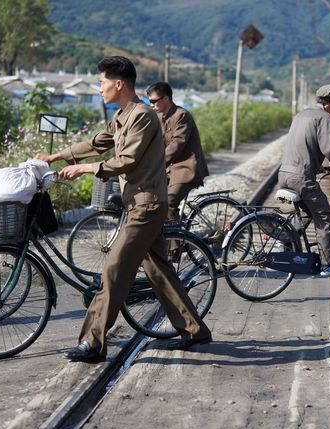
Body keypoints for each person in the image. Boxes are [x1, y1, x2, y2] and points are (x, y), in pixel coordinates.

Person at [36, 56, 211, 362]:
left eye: (102, 82)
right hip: (138, 204)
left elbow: (127, 158)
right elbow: (97, 143)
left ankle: (92, 342)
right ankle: (195, 330)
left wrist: (89, 169)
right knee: (161, 273)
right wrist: (57, 156)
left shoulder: (143, 115)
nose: (99, 87)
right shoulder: (122, 116)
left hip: (147, 206)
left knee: (114, 270)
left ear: (119, 84)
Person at [278, 81, 330, 277]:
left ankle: (287, 239)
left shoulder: (302, 115)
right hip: (301, 178)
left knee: (309, 213)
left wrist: (318, 167)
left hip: (285, 174)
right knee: (326, 216)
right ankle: (327, 264)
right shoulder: (324, 117)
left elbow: (303, 147)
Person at [145, 81, 209, 223]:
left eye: (154, 101)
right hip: (172, 169)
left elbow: (176, 145)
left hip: (187, 169)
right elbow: (158, 144)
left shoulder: (181, 115)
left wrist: (156, 163)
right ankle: (178, 226)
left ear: (166, 99)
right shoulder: (162, 117)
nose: (151, 105)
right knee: (152, 198)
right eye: (150, 102)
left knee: (168, 203)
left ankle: (176, 244)